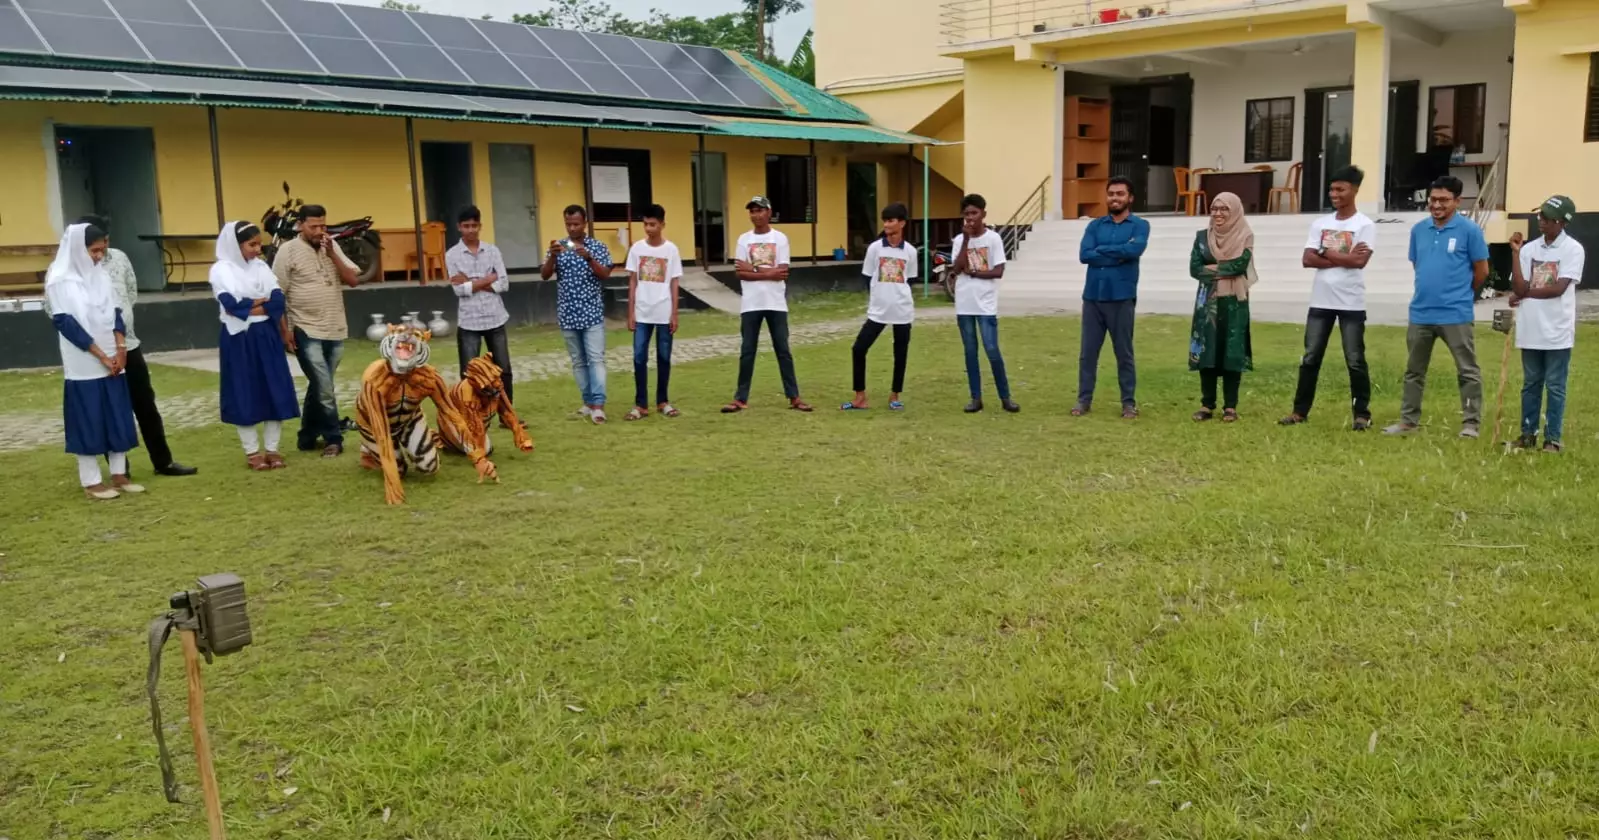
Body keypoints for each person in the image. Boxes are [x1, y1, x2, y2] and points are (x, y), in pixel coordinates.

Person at [51, 215, 195, 477]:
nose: (102, 248)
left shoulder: (118, 259)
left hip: (127, 344)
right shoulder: (62, 272)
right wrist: (100, 345)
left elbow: (129, 294)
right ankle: (120, 470)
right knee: (107, 408)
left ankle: (163, 461)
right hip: (93, 353)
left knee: (145, 405)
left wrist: (119, 339)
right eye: (96, 245)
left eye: (105, 241)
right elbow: (56, 314)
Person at [1385, 176, 1490, 437]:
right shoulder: (1419, 230)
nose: (1437, 205)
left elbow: (1481, 271)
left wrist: (1462, 293)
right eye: (1433, 199)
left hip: (1456, 313)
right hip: (1421, 312)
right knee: (1413, 371)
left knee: (1467, 370)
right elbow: (1418, 265)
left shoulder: (1470, 231)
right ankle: (1408, 421)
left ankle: (1470, 424)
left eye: (1443, 200)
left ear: (1457, 201)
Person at [45, 223, 143, 500]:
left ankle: (119, 474)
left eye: (103, 250)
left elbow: (116, 312)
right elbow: (65, 322)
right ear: (78, 249)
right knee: (89, 416)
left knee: (117, 412)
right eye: (94, 250)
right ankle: (91, 481)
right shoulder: (60, 278)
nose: (99, 256)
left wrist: (120, 349)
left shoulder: (99, 275)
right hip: (84, 359)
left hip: (113, 355)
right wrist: (100, 354)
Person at [1281, 166, 1376, 430]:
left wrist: (1326, 251)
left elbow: (1360, 262)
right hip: (1320, 302)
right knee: (1310, 358)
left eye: (1340, 189)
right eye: (1332, 189)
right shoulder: (1320, 224)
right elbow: (1307, 259)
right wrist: (1343, 257)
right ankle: (1300, 411)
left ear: (1354, 190)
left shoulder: (1364, 225)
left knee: (1355, 360)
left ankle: (1361, 414)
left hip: (1351, 303)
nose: (1334, 194)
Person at [211, 221, 300, 470]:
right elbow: (230, 304)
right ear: (236, 245)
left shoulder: (261, 267)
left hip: (266, 334)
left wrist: (252, 305)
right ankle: (252, 452)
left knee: (274, 387)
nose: (257, 249)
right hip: (238, 337)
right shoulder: (221, 270)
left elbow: (278, 299)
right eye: (252, 244)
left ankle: (272, 448)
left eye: (259, 244)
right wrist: (258, 304)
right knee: (244, 391)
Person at [274, 203, 359, 457]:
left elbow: (353, 280)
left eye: (323, 225)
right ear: (300, 225)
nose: (320, 231)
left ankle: (307, 437)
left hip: (335, 327)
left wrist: (332, 253)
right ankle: (334, 438)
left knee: (320, 385)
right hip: (304, 328)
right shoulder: (287, 251)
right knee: (324, 387)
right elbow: (277, 293)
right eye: (314, 226)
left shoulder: (332, 245)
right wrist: (284, 332)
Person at [1509, 195, 1585, 453]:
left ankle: (1552, 439)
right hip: (1530, 329)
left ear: (1562, 222)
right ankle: (1527, 434)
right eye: (1539, 215)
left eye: (1547, 217)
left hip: (1556, 331)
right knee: (1530, 385)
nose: (1540, 221)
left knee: (1555, 386)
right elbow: (1518, 285)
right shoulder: (1530, 249)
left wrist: (1524, 293)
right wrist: (1516, 253)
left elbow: (1558, 288)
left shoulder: (1573, 249)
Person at [723, 196, 812, 413]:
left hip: (776, 304)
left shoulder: (780, 238)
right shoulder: (744, 239)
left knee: (783, 350)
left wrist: (754, 269)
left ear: (769, 212)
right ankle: (740, 398)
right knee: (747, 351)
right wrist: (766, 272)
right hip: (751, 304)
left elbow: (781, 273)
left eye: (760, 210)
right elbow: (739, 273)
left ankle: (794, 396)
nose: (756, 215)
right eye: (752, 211)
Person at [1075, 176, 1149, 419]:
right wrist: (1118, 254)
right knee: (1088, 353)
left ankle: (1128, 403)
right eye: (1111, 194)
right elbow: (1085, 255)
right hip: (1093, 298)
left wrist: (1102, 251)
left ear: (1130, 198)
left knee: (1124, 353)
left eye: (1120, 194)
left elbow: (1135, 250)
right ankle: (1083, 400)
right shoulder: (1095, 226)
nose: (1114, 198)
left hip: (1121, 298)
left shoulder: (1140, 226)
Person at [1187, 192, 1256, 423]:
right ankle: (1207, 405)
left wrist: (1214, 267)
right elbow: (1195, 269)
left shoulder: (1245, 234)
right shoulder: (1201, 237)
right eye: (1214, 208)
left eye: (1224, 209)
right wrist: (1221, 269)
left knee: (1231, 351)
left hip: (1235, 302)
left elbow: (1240, 265)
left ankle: (1230, 407)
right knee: (1207, 350)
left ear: (1235, 210)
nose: (1217, 213)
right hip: (1208, 302)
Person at [842, 202, 917, 411]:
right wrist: (880, 295)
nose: (887, 224)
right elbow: (867, 277)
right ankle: (860, 397)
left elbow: (909, 281)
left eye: (891, 220)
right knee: (859, 349)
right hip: (878, 310)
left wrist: (896, 294)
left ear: (902, 223)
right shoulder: (875, 248)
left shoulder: (910, 251)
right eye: (884, 220)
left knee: (900, 353)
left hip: (903, 310)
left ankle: (895, 396)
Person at [541, 205, 612, 424]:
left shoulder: (597, 247)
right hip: (568, 314)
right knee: (578, 362)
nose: (572, 228)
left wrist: (589, 258)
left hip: (591, 314)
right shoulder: (558, 247)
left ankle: (598, 405)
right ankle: (588, 402)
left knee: (595, 359)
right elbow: (544, 275)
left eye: (576, 224)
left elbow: (606, 274)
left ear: (585, 224)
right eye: (568, 224)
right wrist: (552, 257)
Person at [951, 194, 1018, 414]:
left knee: (991, 350)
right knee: (970, 352)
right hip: (964, 304)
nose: (970, 218)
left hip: (986, 305)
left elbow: (998, 271)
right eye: (967, 214)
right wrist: (966, 240)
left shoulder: (993, 239)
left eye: (974, 213)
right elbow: (957, 268)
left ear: (983, 214)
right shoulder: (960, 240)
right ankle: (976, 398)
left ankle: (1005, 397)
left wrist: (977, 273)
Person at [448, 205, 515, 422]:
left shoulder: (493, 251)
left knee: (503, 369)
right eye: (466, 226)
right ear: (459, 227)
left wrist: (471, 280)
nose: (470, 230)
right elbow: (459, 290)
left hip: (495, 317)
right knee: (469, 373)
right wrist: (488, 279)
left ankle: (507, 415)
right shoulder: (452, 255)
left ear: (480, 226)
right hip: (469, 321)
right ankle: (471, 416)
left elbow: (504, 283)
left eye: (474, 225)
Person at [624, 203, 683, 421]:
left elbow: (674, 283)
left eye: (653, 224)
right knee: (639, 357)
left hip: (663, 311)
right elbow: (632, 282)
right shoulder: (637, 249)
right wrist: (630, 313)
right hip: (642, 313)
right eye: (646, 224)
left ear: (662, 224)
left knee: (664, 357)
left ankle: (663, 401)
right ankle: (640, 404)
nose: (649, 229)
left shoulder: (671, 250)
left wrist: (674, 313)